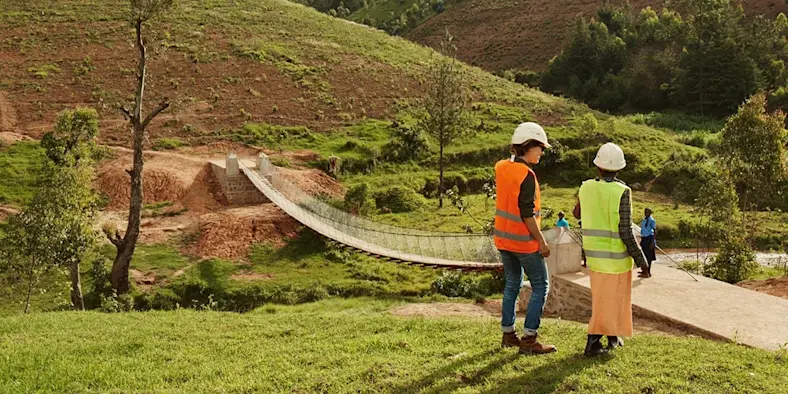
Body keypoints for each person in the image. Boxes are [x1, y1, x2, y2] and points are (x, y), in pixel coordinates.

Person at [573, 142, 649, 357]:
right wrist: (642, 260)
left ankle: (612, 336)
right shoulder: (622, 191)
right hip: (616, 258)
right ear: (619, 168)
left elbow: (577, 214)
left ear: (597, 166)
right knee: (611, 300)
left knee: (605, 299)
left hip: (593, 256)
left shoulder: (585, 187)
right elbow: (625, 230)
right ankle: (593, 341)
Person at [494, 122, 557, 355]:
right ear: (528, 146)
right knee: (541, 285)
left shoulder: (501, 167)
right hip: (523, 242)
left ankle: (508, 334)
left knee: (512, 283)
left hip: (503, 240)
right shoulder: (527, 175)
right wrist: (542, 241)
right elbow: (527, 213)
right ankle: (529, 339)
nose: (541, 152)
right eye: (540, 147)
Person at [639, 208, 657, 278]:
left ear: (650, 213)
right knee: (643, 255)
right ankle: (644, 270)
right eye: (645, 212)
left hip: (649, 239)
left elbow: (655, 231)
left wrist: (653, 242)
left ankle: (648, 272)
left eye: (647, 212)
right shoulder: (644, 220)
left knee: (648, 256)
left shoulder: (652, 220)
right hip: (644, 238)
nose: (646, 213)